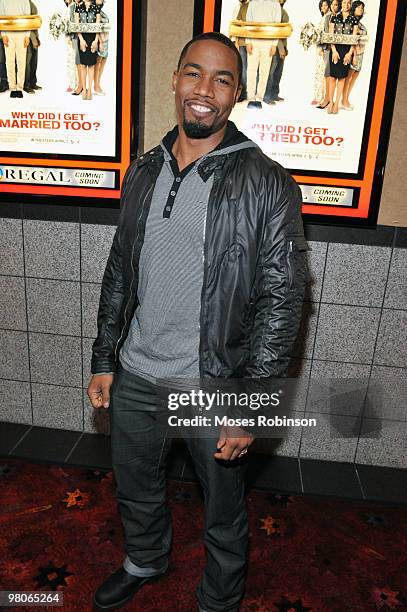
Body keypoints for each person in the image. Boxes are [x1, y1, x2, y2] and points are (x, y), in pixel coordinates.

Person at [87, 31, 307, 612]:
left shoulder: (267, 182)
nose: (204, 90)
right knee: (135, 486)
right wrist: (105, 358)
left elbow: (283, 302)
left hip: (213, 384)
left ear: (236, 94)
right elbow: (119, 273)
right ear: (176, 79)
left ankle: (220, 599)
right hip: (135, 372)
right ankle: (145, 559)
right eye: (194, 73)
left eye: (222, 79)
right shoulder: (143, 170)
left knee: (223, 508)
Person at [245, 0, 282, 107]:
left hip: (268, 42)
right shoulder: (253, 3)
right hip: (253, 41)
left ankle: (259, 98)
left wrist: (274, 44)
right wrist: (248, 41)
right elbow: (248, 22)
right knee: (251, 70)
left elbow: (277, 25)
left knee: (264, 72)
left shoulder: (275, 4)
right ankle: (250, 97)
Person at [327, 0, 358, 114]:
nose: (346, 5)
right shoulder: (334, 17)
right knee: (332, 77)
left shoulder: (354, 19)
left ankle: (337, 104)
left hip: (346, 51)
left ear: (350, 5)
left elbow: (354, 38)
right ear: (341, 4)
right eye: (344, 3)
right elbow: (331, 36)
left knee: (342, 78)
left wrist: (350, 53)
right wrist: (334, 51)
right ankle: (331, 102)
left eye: (349, 3)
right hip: (335, 50)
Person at [0, 0, 31, 98]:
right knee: (9, 62)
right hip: (8, 34)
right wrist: (3, 35)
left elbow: (28, 18)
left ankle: (20, 87)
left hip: (22, 34)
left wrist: (27, 35)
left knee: (21, 62)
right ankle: (12, 87)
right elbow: (1, 16)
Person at [75, 0, 102, 100]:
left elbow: (98, 26)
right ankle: (84, 90)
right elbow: (77, 25)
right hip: (82, 38)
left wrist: (96, 41)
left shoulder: (96, 8)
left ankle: (90, 90)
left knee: (91, 65)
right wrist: (81, 40)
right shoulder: (78, 7)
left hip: (93, 38)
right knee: (83, 65)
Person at [341, 0, 366, 110]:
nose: (360, 9)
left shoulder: (359, 22)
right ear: (354, 9)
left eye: (362, 8)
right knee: (349, 77)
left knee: (355, 76)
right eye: (358, 7)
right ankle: (344, 100)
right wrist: (354, 55)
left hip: (361, 53)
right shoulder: (352, 21)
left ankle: (346, 98)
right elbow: (353, 40)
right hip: (354, 53)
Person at [264, 0, 289, 105]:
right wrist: (281, 48)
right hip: (273, 46)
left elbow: (284, 33)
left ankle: (274, 94)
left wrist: (285, 48)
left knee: (278, 72)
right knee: (271, 72)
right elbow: (275, 32)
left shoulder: (283, 11)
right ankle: (267, 96)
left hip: (282, 46)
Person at [312, 0, 331, 106]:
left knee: (323, 73)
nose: (323, 7)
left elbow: (326, 35)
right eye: (322, 5)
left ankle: (321, 98)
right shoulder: (323, 17)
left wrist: (323, 49)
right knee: (319, 73)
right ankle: (318, 96)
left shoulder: (328, 17)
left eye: (325, 5)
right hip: (319, 48)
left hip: (323, 49)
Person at [231, 0, 250, 102]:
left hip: (249, 42)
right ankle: (242, 94)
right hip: (239, 43)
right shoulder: (237, 8)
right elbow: (234, 26)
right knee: (242, 69)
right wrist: (235, 42)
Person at [24, 0, 41, 94]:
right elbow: (26, 24)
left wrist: (37, 38)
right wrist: (33, 39)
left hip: (34, 36)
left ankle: (33, 83)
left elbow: (35, 24)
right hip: (27, 37)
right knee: (27, 62)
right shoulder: (24, 4)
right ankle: (26, 85)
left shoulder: (32, 5)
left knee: (34, 62)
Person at [93, 0, 109, 95]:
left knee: (103, 61)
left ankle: (98, 83)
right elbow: (96, 28)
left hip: (106, 39)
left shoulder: (101, 11)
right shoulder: (94, 11)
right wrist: (100, 41)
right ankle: (96, 86)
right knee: (97, 63)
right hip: (101, 40)